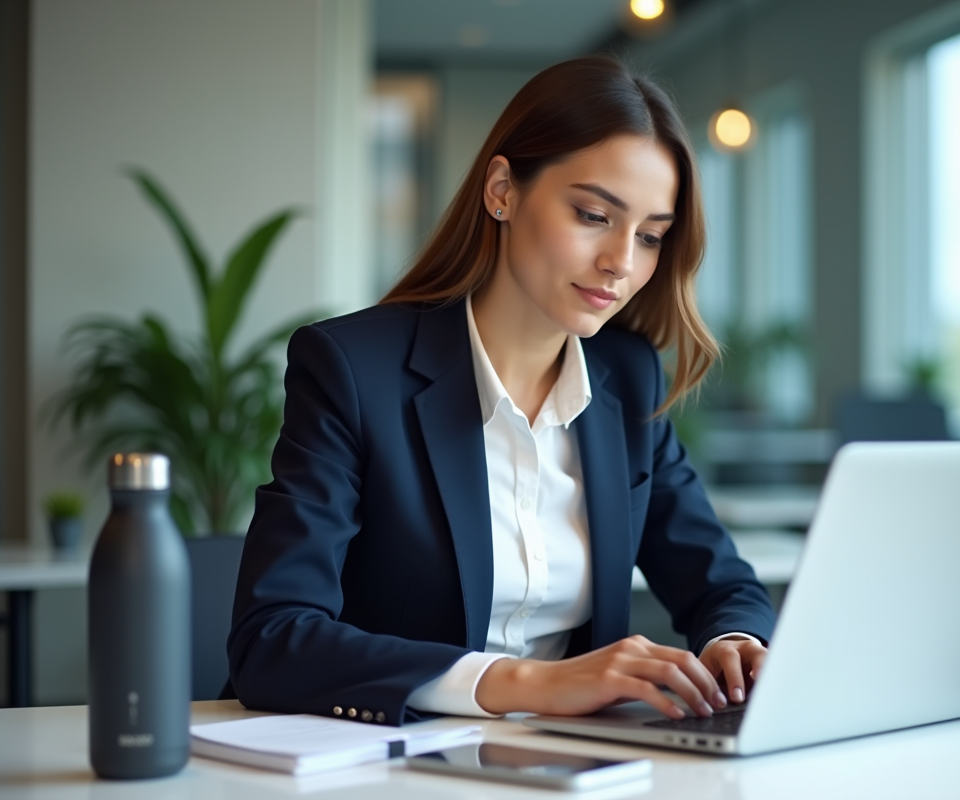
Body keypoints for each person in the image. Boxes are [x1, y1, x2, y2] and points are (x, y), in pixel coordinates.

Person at [228, 55, 776, 727]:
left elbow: (721, 581)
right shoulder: (352, 369)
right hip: (387, 759)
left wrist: (736, 644)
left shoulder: (628, 377)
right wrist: (525, 683)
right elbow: (272, 637)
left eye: (651, 236)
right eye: (593, 215)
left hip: (574, 761)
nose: (622, 263)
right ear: (502, 191)